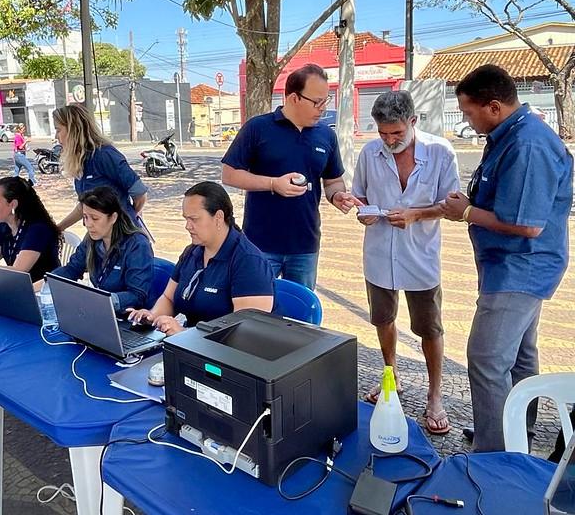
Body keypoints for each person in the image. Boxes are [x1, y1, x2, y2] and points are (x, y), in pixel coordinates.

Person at [441, 64, 572, 452]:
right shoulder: (509, 135)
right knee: (519, 355)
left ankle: (495, 454)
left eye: (468, 112)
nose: (466, 119)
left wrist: (465, 212)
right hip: (511, 264)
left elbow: (526, 224)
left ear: (494, 107)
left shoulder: (528, 143)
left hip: (521, 267)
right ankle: (515, 432)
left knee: (486, 357)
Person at [352, 90, 460, 435]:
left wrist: (417, 215)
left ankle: (435, 394)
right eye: (383, 133)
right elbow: (362, 197)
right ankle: (391, 375)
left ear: (413, 122)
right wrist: (364, 214)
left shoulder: (441, 152)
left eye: (397, 133)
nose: (389, 140)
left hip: (420, 255)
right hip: (380, 252)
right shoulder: (370, 153)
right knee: (383, 319)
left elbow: (453, 206)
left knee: (429, 328)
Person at [221, 64, 362, 289]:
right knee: (256, 313)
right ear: (294, 98)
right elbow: (229, 175)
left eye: (326, 101)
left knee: (300, 318)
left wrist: (338, 197)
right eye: (317, 102)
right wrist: (272, 184)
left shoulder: (326, 135)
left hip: (305, 245)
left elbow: (333, 180)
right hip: (260, 244)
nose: (323, 109)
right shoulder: (258, 128)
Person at [128, 181, 274, 335]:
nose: (187, 226)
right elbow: (169, 298)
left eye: (194, 219)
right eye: (186, 219)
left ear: (218, 217)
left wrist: (184, 334)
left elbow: (244, 333)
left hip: (228, 354)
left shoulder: (248, 262)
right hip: (193, 344)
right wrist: (152, 316)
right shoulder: (192, 252)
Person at [39, 186, 154, 312]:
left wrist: (101, 301)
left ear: (113, 218)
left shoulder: (137, 245)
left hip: (128, 318)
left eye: (95, 218)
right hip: (99, 311)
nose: (88, 224)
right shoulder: (91, 239)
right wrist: (48, 281)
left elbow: (137, 295)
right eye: (85, 217)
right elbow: (72, 269)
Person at [53, 104, 148, 231]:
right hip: (99, 235)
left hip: (122, 237)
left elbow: (139, 193)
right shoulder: (81, 160)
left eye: (58, 130)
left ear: (73, 129)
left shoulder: (104, 155)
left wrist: (126, 217)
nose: (55, 136)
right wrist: (59, 228)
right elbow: (84, 206)